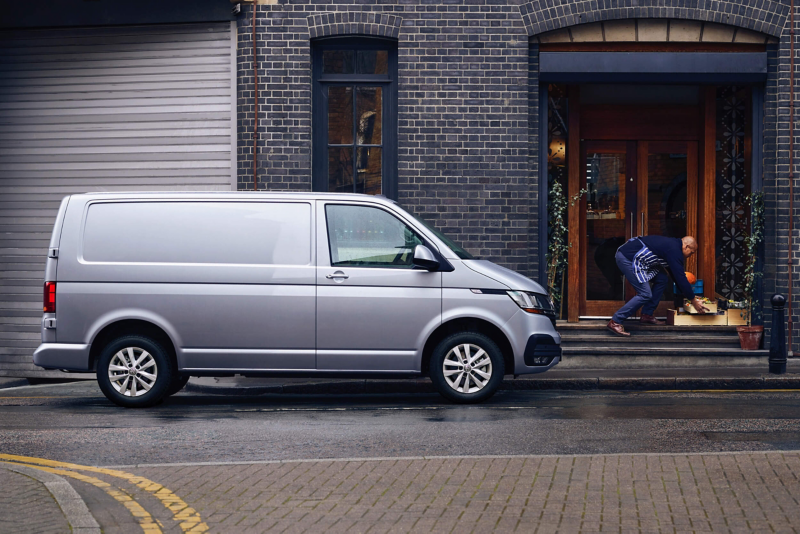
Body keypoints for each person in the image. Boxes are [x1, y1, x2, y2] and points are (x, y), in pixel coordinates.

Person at [607, 235, 709, 337]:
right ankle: (615, 321)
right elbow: (681, 277)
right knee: (645, 294)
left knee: (662, 278)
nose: (690, 256)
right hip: (628, 258)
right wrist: (693, 300)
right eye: (691, 253)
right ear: (686, 247)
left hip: (641, 261)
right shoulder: (674, 250)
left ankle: (647, 314)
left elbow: (676, 276)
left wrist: (689, 296)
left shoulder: (673, 247)